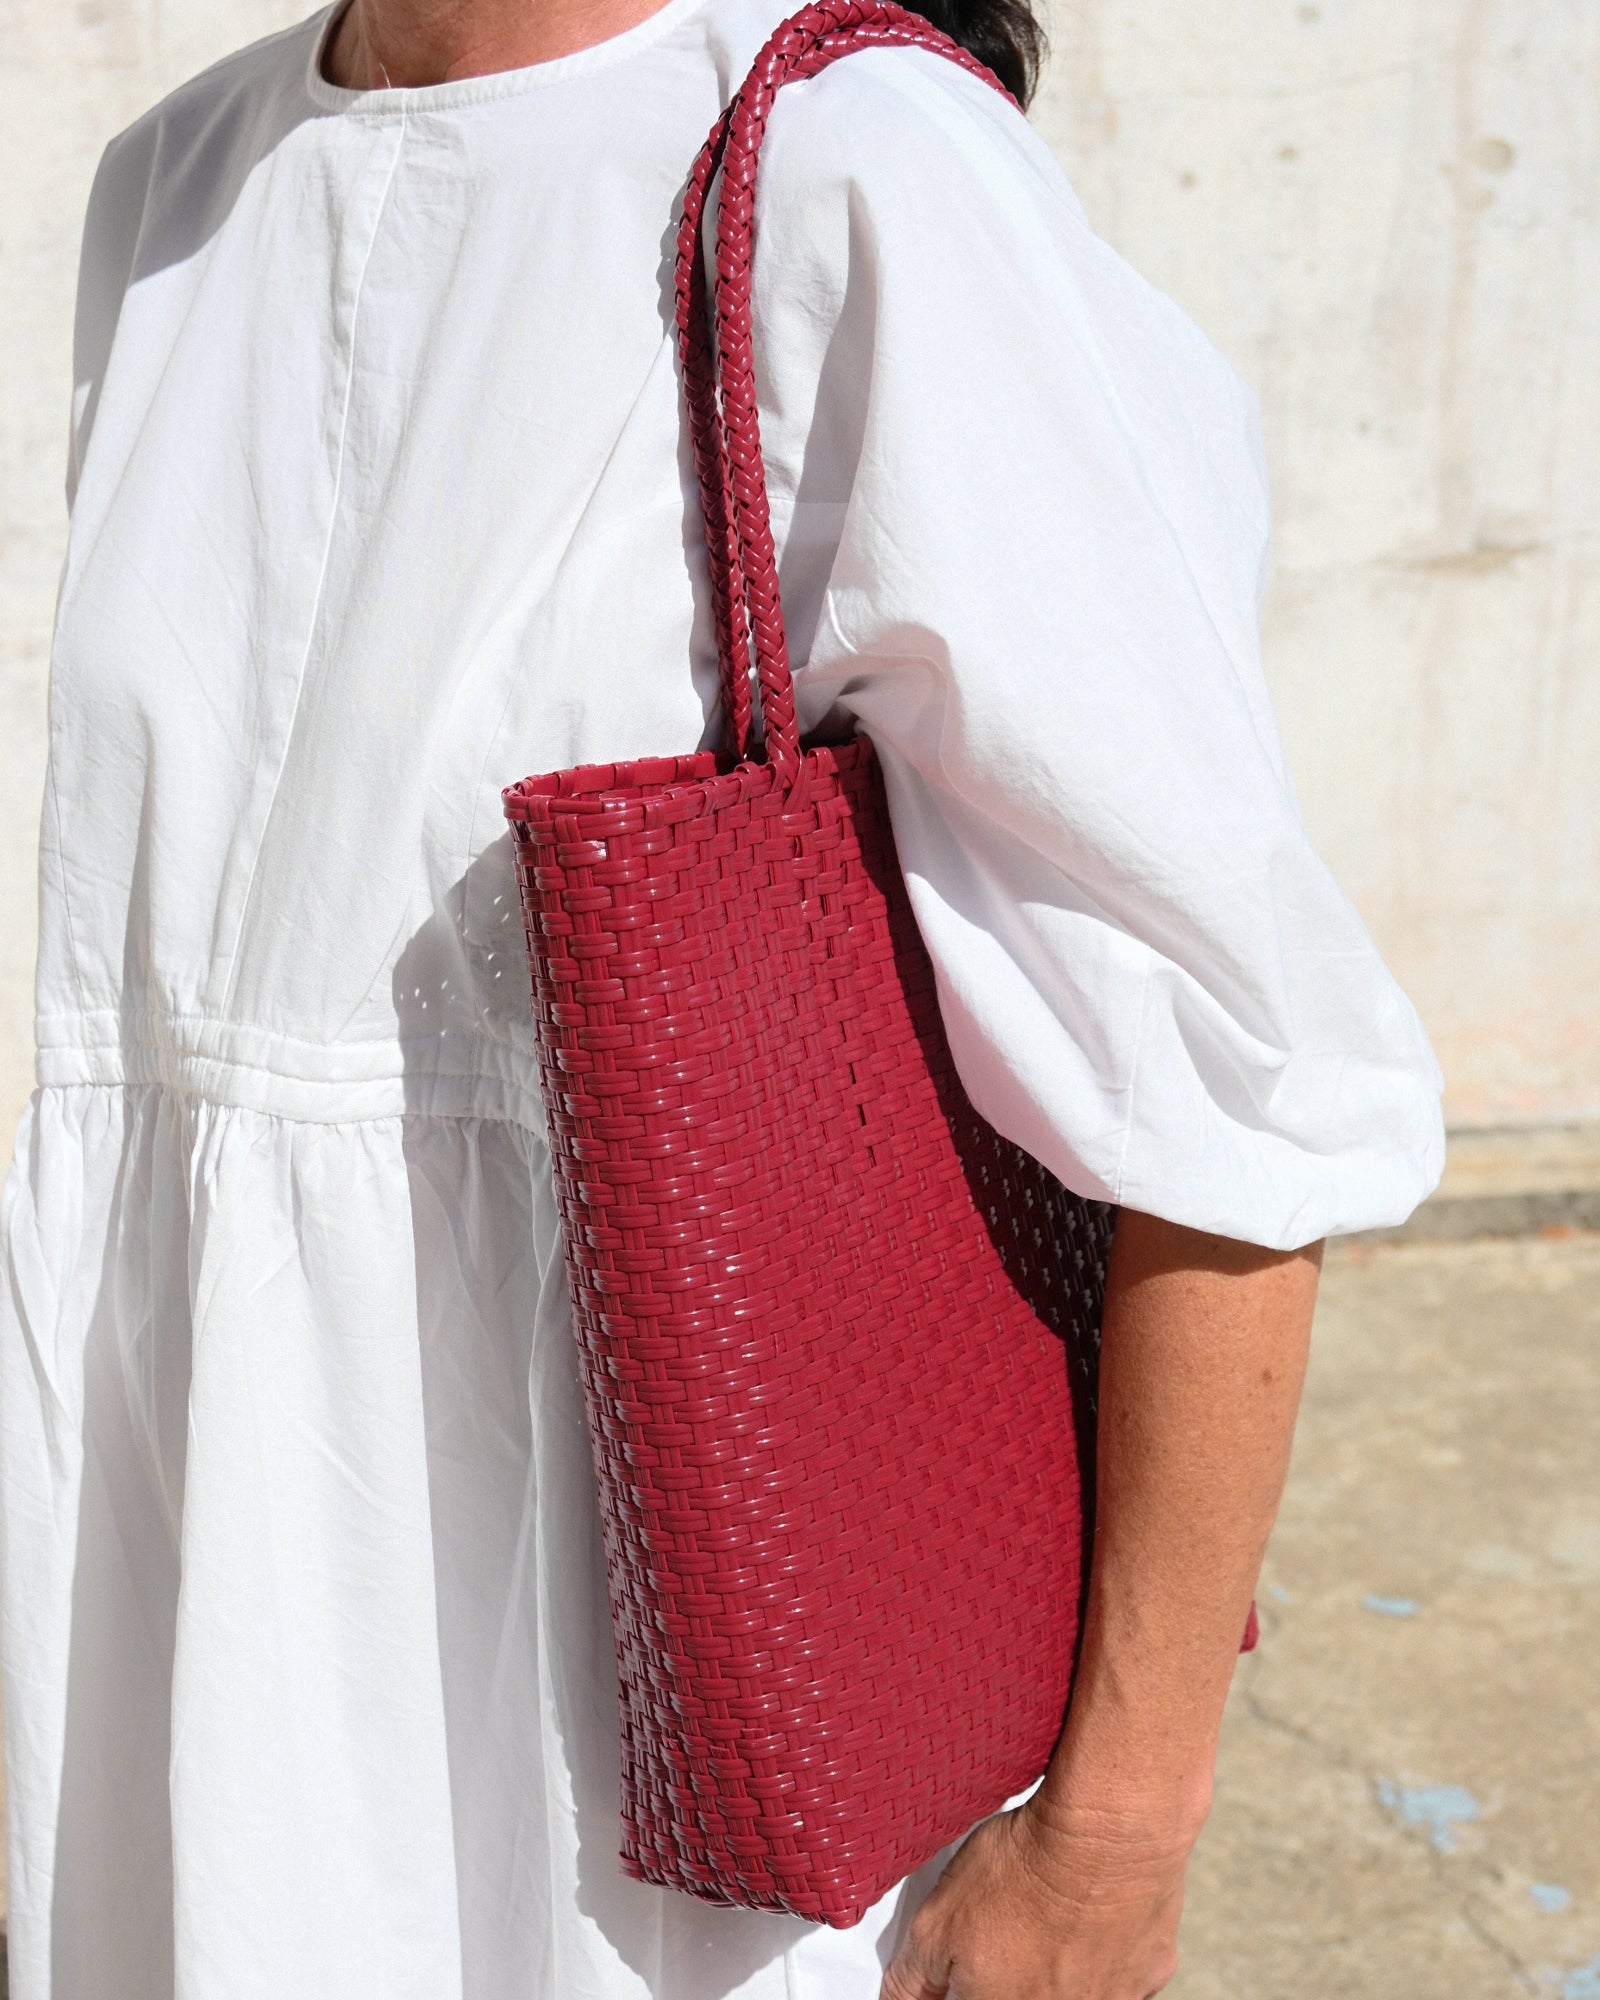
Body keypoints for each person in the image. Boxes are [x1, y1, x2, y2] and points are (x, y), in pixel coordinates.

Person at [0, 0, 1444, 1993]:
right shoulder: (173, 187)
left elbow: (1221, 1065)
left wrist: (1112, 1833)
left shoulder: (853, 168)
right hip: (202, 1633)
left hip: (643, 1702)